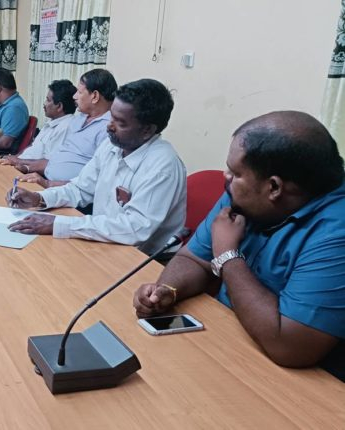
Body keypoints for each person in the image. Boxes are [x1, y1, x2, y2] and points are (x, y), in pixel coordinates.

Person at [133, 111, 345, 381]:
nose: (226, 177)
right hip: (227, 340)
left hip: (292, 381)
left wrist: (227, 256)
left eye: (235, 173)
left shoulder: (336, 233)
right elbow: (194, 259)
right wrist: (168, 290)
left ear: (274, 187)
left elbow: (290, 346)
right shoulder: (245, 194)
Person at [7, 79, 186, 256]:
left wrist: (58, 224)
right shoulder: (112, 146)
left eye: (120, 122)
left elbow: (134, 229)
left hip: (141, 258)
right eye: (111, 116)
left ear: (147, 130)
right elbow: (80, 189)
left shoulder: (163, 166)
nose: (109, 125)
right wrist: (39, 198)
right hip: (104, 242)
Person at [8, 69, 116, 188]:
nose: (74, 96)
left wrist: (48, 184)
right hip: (47, 181)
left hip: (66, 191)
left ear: (94, 96)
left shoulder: (109, 129)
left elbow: (95, 182)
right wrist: (24, 166)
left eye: (79, 92)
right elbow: (56, 160)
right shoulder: (79, 119)